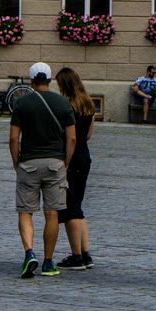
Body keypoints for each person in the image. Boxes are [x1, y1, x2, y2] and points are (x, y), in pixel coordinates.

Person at [7, 61, 76, 278]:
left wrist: (15, 161)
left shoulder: (22, 103)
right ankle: (48, 261)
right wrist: (66, 161)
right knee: (52, 213)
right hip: (55, 163)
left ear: (31, 80)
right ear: (49, 79)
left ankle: (29, 253)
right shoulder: (62, 103)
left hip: (28, 162)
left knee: (25, 211)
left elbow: (13, 137)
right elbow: (72, 137)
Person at [55, 68, 97, 270]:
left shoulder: (66, 106)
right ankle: (86, 253)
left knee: (71, 208)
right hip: (84, 155)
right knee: (78, 205)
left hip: (70, 157)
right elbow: (88, 135)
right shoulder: (89, 104)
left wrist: (65, 161)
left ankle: (77, 256)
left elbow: (68, 136)